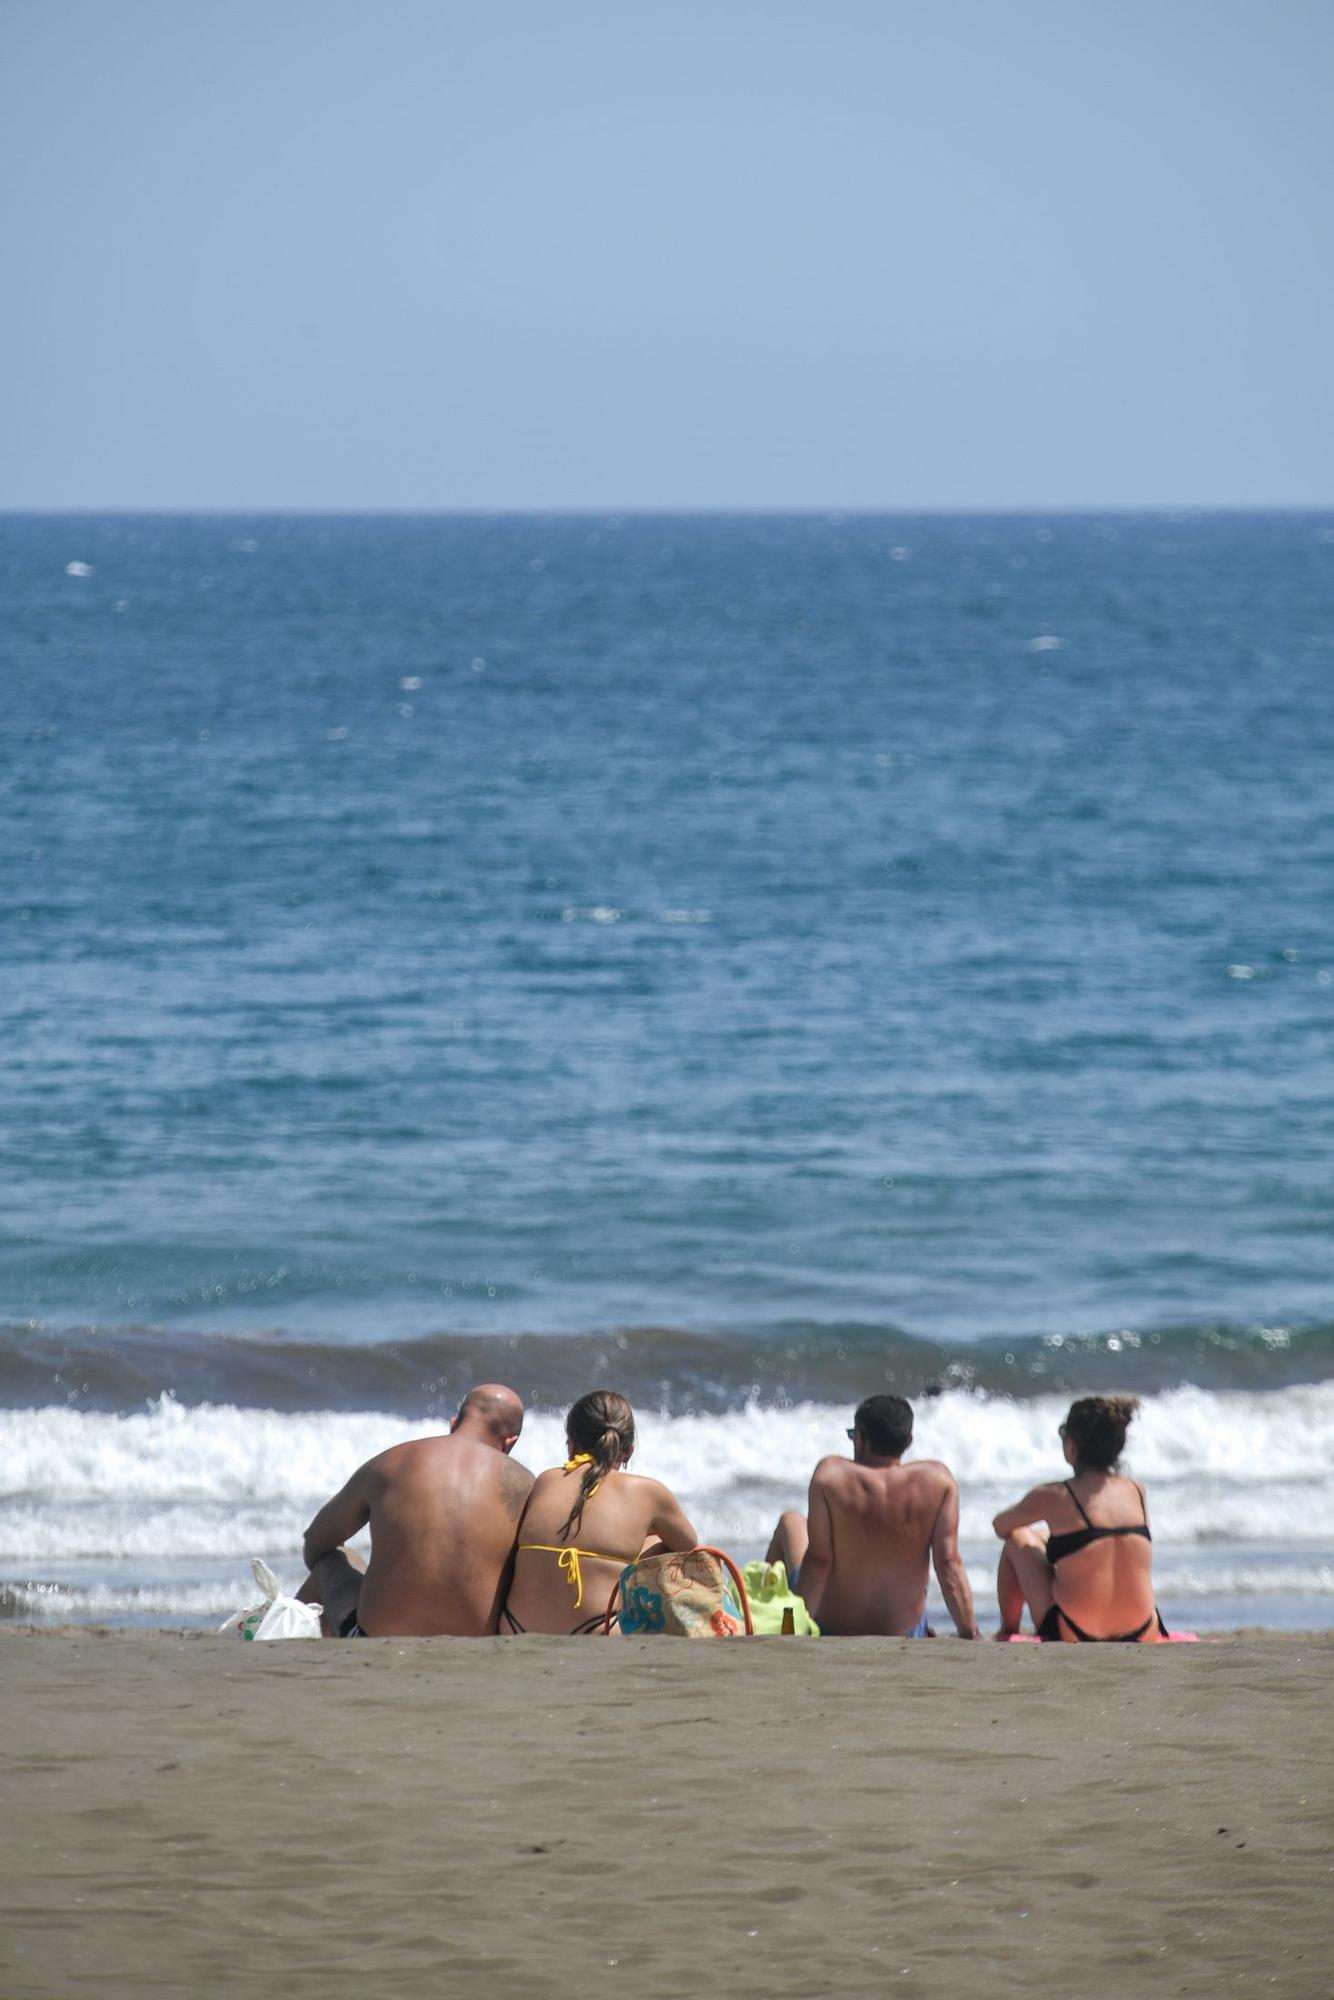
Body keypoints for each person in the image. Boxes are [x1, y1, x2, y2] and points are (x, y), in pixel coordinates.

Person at [298, 1382, 533, 1638]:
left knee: (333, 1560)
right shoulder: (524, 1484)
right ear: (510, 1442)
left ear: (454, 1423)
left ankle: (280, 1644)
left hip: (375, 1643)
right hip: (478, 1649)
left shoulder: (392, 1461)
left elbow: (316, 1543)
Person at [766, 1394, 980, 1638]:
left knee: (790, 1520)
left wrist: (795, 1629)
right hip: (905, 1631)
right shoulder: (939, 1482)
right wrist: (969, 1631)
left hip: (832, 1626)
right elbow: (948, 1563)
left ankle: (759, 1608)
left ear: (861, 1439)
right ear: (908, 1441)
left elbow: (819, 1561)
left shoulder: (831, 1477)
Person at [500, 1388, 697, 1634]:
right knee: (657, 1541)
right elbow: (689, 1546)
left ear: (570, 1445)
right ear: (628, 1452)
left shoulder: (545, 1480)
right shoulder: (648, 1492)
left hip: (515, 1627)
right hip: (596, 1629)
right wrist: (637, 1556)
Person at [992, 1394, 1165, 1642]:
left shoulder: (1054, 1495)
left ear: (1071, 1446)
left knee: (1018, 1536)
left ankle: (1008, 1630)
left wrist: (1040, 1538)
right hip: (1144, 1627)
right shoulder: (1136, 1490)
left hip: (1076, 1631)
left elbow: (1000, 1526)